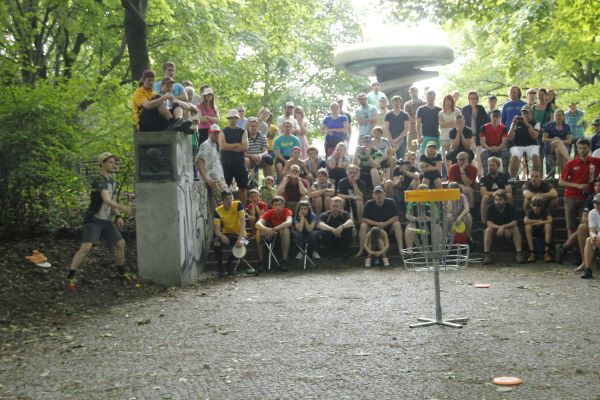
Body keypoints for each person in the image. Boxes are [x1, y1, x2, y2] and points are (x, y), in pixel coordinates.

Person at [66, 152, 134, 291]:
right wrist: (124, 208)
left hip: (106, 221)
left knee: (120, 243)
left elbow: (111, 201)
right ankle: (71, 277)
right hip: (94, 220)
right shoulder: (99, 180)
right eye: (110, 162)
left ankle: (122, 273)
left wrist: (118, 216)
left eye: (114, 162)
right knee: (86, 248)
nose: (114, 165)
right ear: (102, 164)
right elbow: (106, 200)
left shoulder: (112, 181)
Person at [559, 138, 600, 238]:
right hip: (571, 196)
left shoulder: (596, 162)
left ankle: (580, 245)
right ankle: (571, 247)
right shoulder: (571, 163)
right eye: (580, 148)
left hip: (587, 197)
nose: (582, 150)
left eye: (584, 148)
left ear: (589, 148)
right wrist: (578, 185)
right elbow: (561, 182)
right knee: (570, 226)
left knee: (584, 224)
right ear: (577, 149)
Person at [556, 178, 600, 269]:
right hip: (594, 227)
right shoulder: (591, 198)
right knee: (582, 227)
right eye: (596, 185)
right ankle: (584, 262)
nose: (598, 188)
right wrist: (594, 222)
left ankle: (564, 246)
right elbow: (584, 218)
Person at [213, 190, 252, 277]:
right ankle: (220, 269)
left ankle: (228, 265)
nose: (229, 201)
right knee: (216, 242)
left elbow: (243, 224)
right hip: (228, 234)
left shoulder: (238, 204)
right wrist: (222, 236)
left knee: (246, 243)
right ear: (222, 201)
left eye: (231, 198)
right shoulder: (217, 211)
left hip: (241, 235)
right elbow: (217, 230)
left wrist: (240, 239)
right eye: (226, 199)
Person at [357, 186, 403, 257]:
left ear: (384, 194)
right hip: (373, 230)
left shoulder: (391, 202)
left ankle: (400, 250)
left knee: (397, 224)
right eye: (376, 193)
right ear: (373, 195)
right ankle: (361, 250)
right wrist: (377, 224)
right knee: (363, 226)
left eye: (380, 193)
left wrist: (385, 223)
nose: (378, 195)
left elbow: (396, 217)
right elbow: (364, 219)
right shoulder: (369, 204)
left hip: (388, 228)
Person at [483, 189, 525, 265]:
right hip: (495, 229)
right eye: (496, 200)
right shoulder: (490, 208)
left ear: (505, 200)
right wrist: (500, 227)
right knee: (488, 230)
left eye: (500, 200)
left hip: (508, 229)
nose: (497, 202)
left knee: (516, 229)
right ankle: (487, 255)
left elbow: (515, 222)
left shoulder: (510, 208)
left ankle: (519, 254)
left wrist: (504, 227)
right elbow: (489, 223)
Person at [255, 196, 293, 271]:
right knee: (258, 231)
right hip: (272, 235)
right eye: (275, 205)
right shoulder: (269, 212)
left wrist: (274, 229)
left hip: (286, 236)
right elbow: (257, 224)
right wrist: (266, 229)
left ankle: (284, 261)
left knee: (285, 230)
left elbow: (289, 222)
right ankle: (261, 261)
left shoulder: (287, 211)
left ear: (283, 205)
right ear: (272, 206)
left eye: (280, 204)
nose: (278, 207)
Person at [220, 109, 249, 203]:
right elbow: (222, 146)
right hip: (227, 163)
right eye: (231, 118)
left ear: (237, 119)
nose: (233, 120)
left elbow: (245, 147)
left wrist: (229, 146)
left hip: (239, 163)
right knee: (225, 188)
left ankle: (243, 209)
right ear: (228, 119)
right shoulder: (223, 131)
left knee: (242, 188)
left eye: (235, 118)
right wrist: (237, 144)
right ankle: (225, 208)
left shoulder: (243, 131)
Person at [507, 105, 542, 181]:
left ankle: (535, 178)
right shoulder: (516, 123)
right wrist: (513, 125)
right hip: (518, 145)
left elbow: (535, 136)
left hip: (532, 145)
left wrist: (526, 124)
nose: (524, 114)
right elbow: (510, 138)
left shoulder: (536, 123)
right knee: (515, 157)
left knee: (536, 157)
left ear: (531, 113)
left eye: (526, 113)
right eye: (523, 113)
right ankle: (513, 179)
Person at [196, 124, 228, 206]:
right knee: (226, 203)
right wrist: (205, 178)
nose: (216, 135)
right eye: (214, 133)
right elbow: (199, 160)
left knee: (224, 204)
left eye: (218, 133)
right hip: (213, 181)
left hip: (218, 179)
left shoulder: (214, 145)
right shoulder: (205, 145)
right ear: (209, 133)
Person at [384, 153, 420, 221]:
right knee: (388, 183)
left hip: (410, 192)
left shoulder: (415, 169)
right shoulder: (397, 169)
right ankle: (390, 209)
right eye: (408, 159)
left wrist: (405, 172)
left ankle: (409, 210)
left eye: (412, 159)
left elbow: (417, 176)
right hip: (399, 192)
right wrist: (399, 181)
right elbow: (395, 184)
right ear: (405, 159)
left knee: (417, 181)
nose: (410, 161)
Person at [462, 91, 490, 177]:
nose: (473, 100)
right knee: (469, 157)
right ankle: (472, 174)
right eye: (471, 98)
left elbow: (487, 121)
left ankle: (480, 175)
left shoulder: (481, 108)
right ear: (468, 99)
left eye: (474, 98)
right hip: (468, 137)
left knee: (479, 157)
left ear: (477, 99)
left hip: (479, 136)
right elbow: (462, 123)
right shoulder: (464, 109)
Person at [479, 157, 513, 224]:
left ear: (498, 166)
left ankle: (511, 219)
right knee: (485, 197)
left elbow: (509, 190)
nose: (490, 167)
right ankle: (484, 222)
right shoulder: (484, 179)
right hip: (491, 197)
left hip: (502, 196)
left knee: (509, 195)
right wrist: (494, 193)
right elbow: (483, 192)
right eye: (489, 165)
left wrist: (499, 192)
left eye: (493, 165)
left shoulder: (504, 177)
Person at [524, 195, 553, 263]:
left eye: (538, 205)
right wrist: (537, 221)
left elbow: (550, 220)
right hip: (534, 230)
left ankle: (546, 252)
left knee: (548, 225)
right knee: (527, 227)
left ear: (542, 206)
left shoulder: (545, 211)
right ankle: (532, 252)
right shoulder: (530, 211)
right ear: (531, 205)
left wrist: (541, 222)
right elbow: (525, 221)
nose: (535, 207)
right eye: (534, 205)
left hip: (543, 230)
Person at [542, 108, 572, 177]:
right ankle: (569, 159)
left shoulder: (566, 126)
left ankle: (563, 176)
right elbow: (543, 139)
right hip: (550, 146)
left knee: (558, 150)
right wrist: (553, 139)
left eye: (560, 115)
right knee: (557, 142)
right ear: (554, 116)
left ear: (563, 117)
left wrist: (559, 141)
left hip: (562, 147)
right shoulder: (549, 125)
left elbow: (569, 141)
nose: (558, 117)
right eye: (557, 115)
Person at [480, 109, 509, 175]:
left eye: (497, 117)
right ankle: (486, 175)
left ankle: (505, 174)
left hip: (500, 148)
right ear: (490, 117)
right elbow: (482, 142)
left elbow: (504, 143)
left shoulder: (504, 128)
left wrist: (498, 148)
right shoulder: (484, 127)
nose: (495, 119)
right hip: (488, 148)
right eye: (493, 116)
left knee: (505, 152)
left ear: (500, 117)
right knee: (483, 153)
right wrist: (489, 148)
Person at [438, 94, 461, 173]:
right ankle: (449, 174)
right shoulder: (441, 113)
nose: (448, 102)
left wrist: (447, 124)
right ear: (444, 102)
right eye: (446, 100)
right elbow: (441, 125)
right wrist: (452, 123)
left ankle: (457, 172)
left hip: (455, 136)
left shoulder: (457, 111)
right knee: (446, 156)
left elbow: (458, 123)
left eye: (449, 100)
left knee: (455, 154)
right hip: (444, 136)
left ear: (452, 101)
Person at [580, 193, 600, 279]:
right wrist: (593, 236)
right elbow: (591, 230)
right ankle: (587, 269)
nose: (597, 205)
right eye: (595, 203)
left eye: (599, 203)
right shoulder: (592, 213)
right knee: (589, 240)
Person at [384, 95, 410, 160]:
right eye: (394, 102)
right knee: (390, 159)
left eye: (398, 102)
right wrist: (391, 140)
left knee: (401, 159)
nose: (396, 103)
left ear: (400, 103)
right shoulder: (388, 115)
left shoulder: (405, 115)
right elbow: (386, 129)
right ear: (392, 103)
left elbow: (406, 129)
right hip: (390, 141)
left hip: (402, 141)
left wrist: (395, 140)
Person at [404, 86, 426, 152]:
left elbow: (426, 117)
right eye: (412, 92)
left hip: (424, 131)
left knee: (424, 151)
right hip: (412, 131)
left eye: (415, 91)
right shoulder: (407, 104)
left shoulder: (424, 103)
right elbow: (408, 118)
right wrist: (420, 119)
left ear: (418, 92)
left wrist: (414, 118)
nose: (413, 93)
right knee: (412, 152)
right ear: (410, 94)